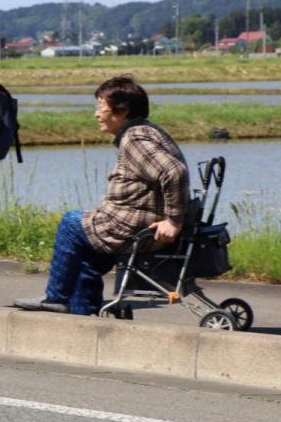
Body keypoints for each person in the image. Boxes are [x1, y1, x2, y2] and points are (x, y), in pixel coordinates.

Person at [13, 75, 189, 316]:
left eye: (100, 107)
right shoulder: (145, 131)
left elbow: (173, 171)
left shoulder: (135, 139)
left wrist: (174, 221)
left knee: (70, 224)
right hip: (134, 222)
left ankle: (56, 297)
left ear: (122, 110)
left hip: (132, 227)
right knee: (87, 257)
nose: (97, 114)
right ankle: (84, 311)